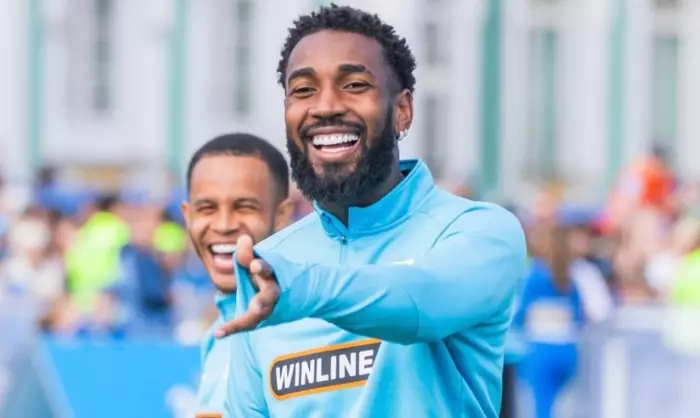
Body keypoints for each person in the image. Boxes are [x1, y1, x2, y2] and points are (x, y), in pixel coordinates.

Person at [217, 6, 527, 417]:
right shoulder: (270, 264)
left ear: (402, 110)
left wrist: (297, 289)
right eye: (304, 90)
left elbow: (421, 303)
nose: (325, 106)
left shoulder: (480, 232)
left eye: (354, 85)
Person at [181, 133, 293, 416]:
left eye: (244, 207)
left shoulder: (302, 328)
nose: (224, 225)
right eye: (207, 208)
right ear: (187, 216)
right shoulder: (216, 332)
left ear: (282, 216)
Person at [513, 226, 584, 418]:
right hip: (568, 351)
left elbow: (520, 315)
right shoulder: (570, 278)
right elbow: (580, 316)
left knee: (541, 409)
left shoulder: (535, 275)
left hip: (540, 351)